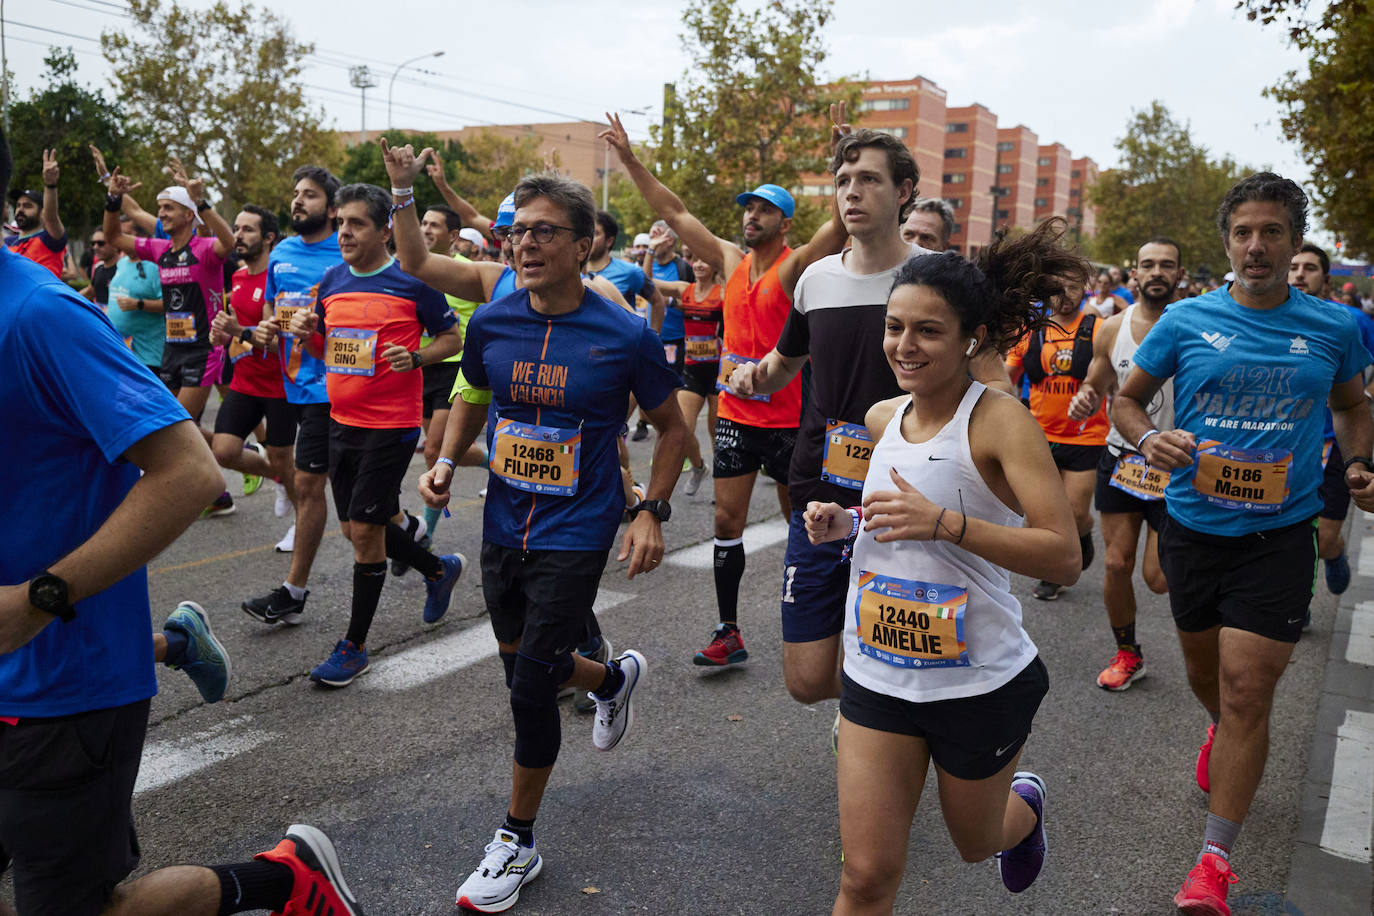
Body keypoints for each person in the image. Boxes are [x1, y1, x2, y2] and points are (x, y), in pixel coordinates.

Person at [0, 127, 363, 916]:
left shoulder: (39, 317)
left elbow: (189, 472)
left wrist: (36, 600)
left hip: (60, 684)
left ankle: (284, 881)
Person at [397, 161, 689, 912]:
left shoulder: (623, 334)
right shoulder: (493, 321)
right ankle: (614, 678)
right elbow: (474, 395)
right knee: (534, 669)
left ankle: (516, 841)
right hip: (504, 520)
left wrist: (651, 508)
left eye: (544, 232)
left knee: (531, 682)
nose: (525, 245)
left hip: (579, 524)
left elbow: (671, 428)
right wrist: (439, 463)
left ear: (585, 242)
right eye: (517, 232)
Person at [1111, 173, 1374, 915]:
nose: (1256, 246)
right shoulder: (1187, 321)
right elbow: (1127, 401)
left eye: (1272, 233)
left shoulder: (1334, 327)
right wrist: (1151, 436)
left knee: (1247, 691)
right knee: (1209, 681)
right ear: (1226, 242)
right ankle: (1219, 734)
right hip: (1193, 527)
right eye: (1243, 233)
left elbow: (1353, 406)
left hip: (1279, 535)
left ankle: (1214, 863)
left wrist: (1358, 464)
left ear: (1294, 242)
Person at [804, 223, 1086, 912]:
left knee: (976, 841)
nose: (905, 346)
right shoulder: (879, 419)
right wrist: (849, 525)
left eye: (928, 331)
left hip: (978, 680)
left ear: (971, 337)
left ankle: (1023, 815)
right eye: (895, 327)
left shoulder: (999, 423)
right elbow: (900, 514)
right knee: (865, 876)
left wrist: (948, 525)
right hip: (877, 670)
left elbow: (1064, 554)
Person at [601, 108, 847, 668]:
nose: (751, 216)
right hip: (736, 416)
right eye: (749, 208)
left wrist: (840, 161)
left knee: (804, 523)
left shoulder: (794, 267)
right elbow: (674, 210)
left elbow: (837, 229)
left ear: (784, 222)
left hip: (790, 421)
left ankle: (827, 614)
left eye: (764, 209)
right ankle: (728, 631)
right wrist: (630, 159)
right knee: (724, 522)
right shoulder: (731, 261)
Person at [285, 183, 465, 687]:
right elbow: (330, 349)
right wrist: (308, 333)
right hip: (341, 421)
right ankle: (436, 569)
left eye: (356, 223)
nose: (343, 231)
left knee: (364, 533)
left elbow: (451, 338)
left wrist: (418, 357)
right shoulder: (332, 279)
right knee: (356, 528)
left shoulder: (413, 279)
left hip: (391, 426)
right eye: (341, 222)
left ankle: (354, 646)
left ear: (386, 230)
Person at [1068, 238, 1180, 690]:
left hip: (1175, 466)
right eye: (1148, 264)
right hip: (1122, 459)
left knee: (1156, 579)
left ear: (1179, 274)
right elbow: (1096, 383)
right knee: (1116, 564)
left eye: (1166, 266)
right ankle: (1128, 653)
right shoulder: (1111, 327)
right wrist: (1084, 399)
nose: (1156, 272)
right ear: (1134, 273)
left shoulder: (1194, 325)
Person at [102, 159, 238, 516]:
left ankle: (174, 493)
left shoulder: (207, 248)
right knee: (181, 427)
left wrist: (203, 200)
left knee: (173, 424)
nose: (160, 213)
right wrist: (112, 200)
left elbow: (230, 241)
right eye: (160, 208)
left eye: (168, 208)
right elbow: (115, 237)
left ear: (190, 215)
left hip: (204, 350)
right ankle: (219, 489)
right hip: (171, 349)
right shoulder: (161, 251)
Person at [240, 165, 344, 622]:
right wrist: (261, 329)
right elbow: (270, 312)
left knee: (309, 485)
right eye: (296, 194)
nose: (298, 201)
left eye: (310, 195)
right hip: (287, 384)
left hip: (332, 386)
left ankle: (293, 591)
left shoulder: (343, 256)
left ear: (332, 208)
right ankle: (425, 552)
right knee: (354, 506)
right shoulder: (281, 251)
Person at [1005, 271, 1106, 600]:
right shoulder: (1032, 332)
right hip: (1038, 436)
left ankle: (1084, 531)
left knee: (1075, 514)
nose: (1064, 295)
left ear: (1084, 290)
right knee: (1038, 518)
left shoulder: (1099, 330)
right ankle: (1055, 570)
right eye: (1056, 289)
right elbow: (1006, 378)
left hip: (1086, 437)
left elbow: (1116, 375)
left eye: (1072, 287)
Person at [1287, 242, 1374, 598]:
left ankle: (1334, 553)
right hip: (1287, 442)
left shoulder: (1350, 321)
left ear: (1325, 278)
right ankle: (1295, 600)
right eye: (1294, 267)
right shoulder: (1268, 320)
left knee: (1322, 537)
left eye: (1309, 268)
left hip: (1335, 441)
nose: (1299, 274)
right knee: (1289, 532)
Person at [208, 205, 295, 504]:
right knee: (225, 451)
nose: (237, 236)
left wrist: (240, 330)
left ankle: (300, 518)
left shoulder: (281, 281)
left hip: (280, 385)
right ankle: (279, 478)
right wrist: (222, 335)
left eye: (247, 230)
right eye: (236, 229)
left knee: (282, 456)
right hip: (246, 382)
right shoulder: (239, 277)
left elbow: (282, 344)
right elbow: (237, 334)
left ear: (268, 237)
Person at [106, 222, 166, 375]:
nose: (119, 238)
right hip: (121, 351)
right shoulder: (122, 263)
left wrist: (140, 304)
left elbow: (171, 305)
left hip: (149, 356)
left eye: (125, 234)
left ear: (142, 238)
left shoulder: (154, 266)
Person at [4, 149, 65, 278]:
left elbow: (51, 217)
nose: (20, 210)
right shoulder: (8, 242)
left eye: (27, 206)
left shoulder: (50, 239)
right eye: (18, 205)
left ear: (42, 213)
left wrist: (50, 185)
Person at [81, 228, 119, 307]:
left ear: (115, 244)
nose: (95, 247)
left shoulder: (123, 269)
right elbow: (90, 292)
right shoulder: (99, 269)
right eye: (93, 243)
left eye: (100, 243)